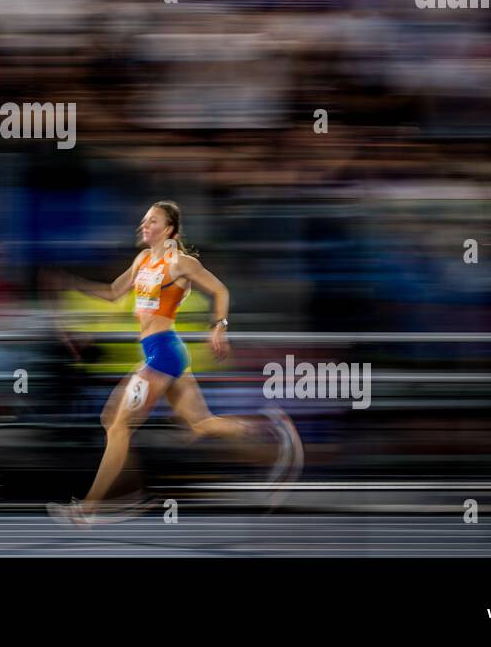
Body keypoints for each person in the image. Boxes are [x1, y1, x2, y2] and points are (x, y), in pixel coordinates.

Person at [46, 201, 303, 525]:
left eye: (152, 221)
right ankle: (273, 430)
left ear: (169, 229)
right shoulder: (142, 259)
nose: (144, 226)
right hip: (161, 352)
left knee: (116, 423)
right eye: (143, 221)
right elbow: (113, 292)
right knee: (200, 424)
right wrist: (75, 285)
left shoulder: (181, 263)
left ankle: (92, 508)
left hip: (163, 354)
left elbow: (220, 291)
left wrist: (218, 328)